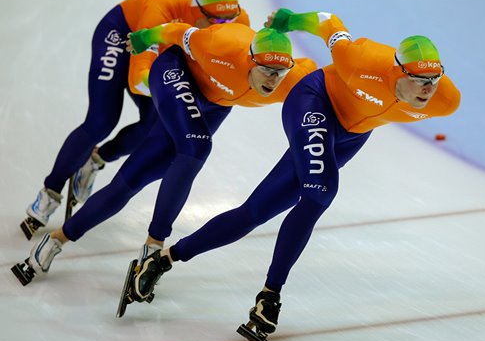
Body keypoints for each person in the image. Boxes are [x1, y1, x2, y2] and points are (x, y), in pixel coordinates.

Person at [128, 9, 462, 341]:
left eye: (433, 80)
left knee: (254, 213)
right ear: (396, 70)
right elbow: (328, 22)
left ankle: (165, 259)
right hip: (314, 101)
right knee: (318, 194)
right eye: (418, 80)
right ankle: (269, 296)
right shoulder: (360, 59)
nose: (427, 89)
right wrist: (289, 19)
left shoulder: (446, 100)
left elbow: (428, 93)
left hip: (350, 135)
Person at [13, 19, 318, 289]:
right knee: (197, 145)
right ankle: (154, 244)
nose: (273, 79)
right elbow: (175, 30)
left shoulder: (294, 78)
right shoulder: (219, 44)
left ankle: (55, 240)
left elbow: (328, 88)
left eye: (280, 71)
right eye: (266, 69)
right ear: (250, 60)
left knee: (136, 176)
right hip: (175, 73)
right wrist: (145, 38)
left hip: (215, 103)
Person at [21, 0, 250, 240]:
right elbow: (138, 78)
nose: (223, 26)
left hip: (162, 50)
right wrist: (171, 92)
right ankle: (49, 193)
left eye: (229, 20)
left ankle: (97, 159)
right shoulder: (163, 5)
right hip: (123, 36)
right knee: (101, 121)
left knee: (152, 127)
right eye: (215, 20)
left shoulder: (238, 20)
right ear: (196, 9)